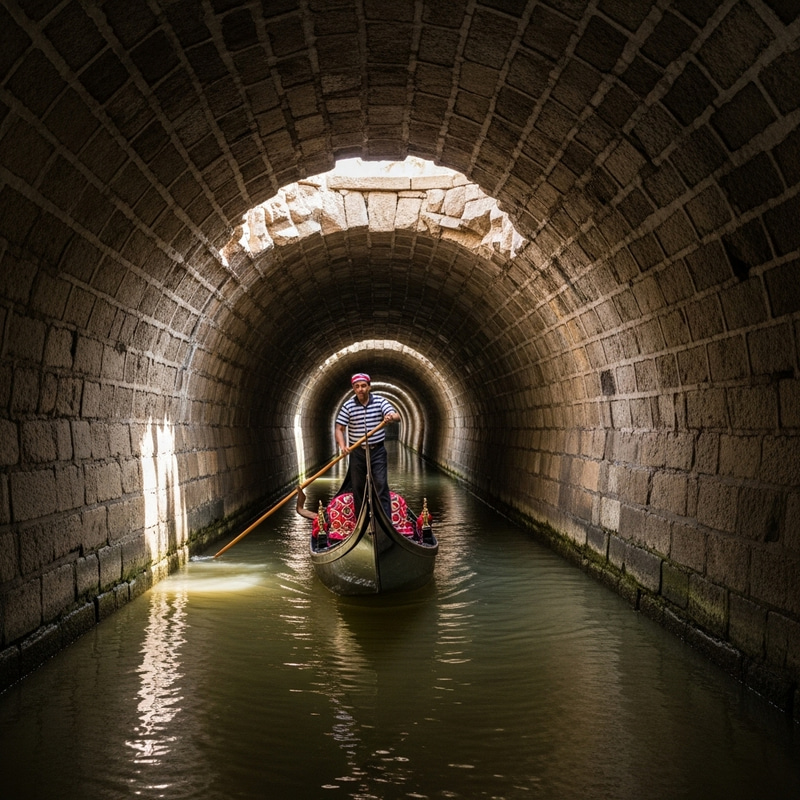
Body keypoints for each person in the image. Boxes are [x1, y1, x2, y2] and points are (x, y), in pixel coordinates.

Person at [335, 372, 399, 520]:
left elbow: (396, 416)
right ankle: (361, 519)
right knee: (358, 487)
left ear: (369, 387)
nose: (360, 389)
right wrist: (343, 446)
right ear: (353, 389)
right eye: (357, 386)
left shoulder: (380, 402)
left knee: (380, 485)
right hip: (357, 452)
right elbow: (339, 428)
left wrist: (390, 417)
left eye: (363, 386)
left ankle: (385, 520)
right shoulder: (348, 406)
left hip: (377, 450)